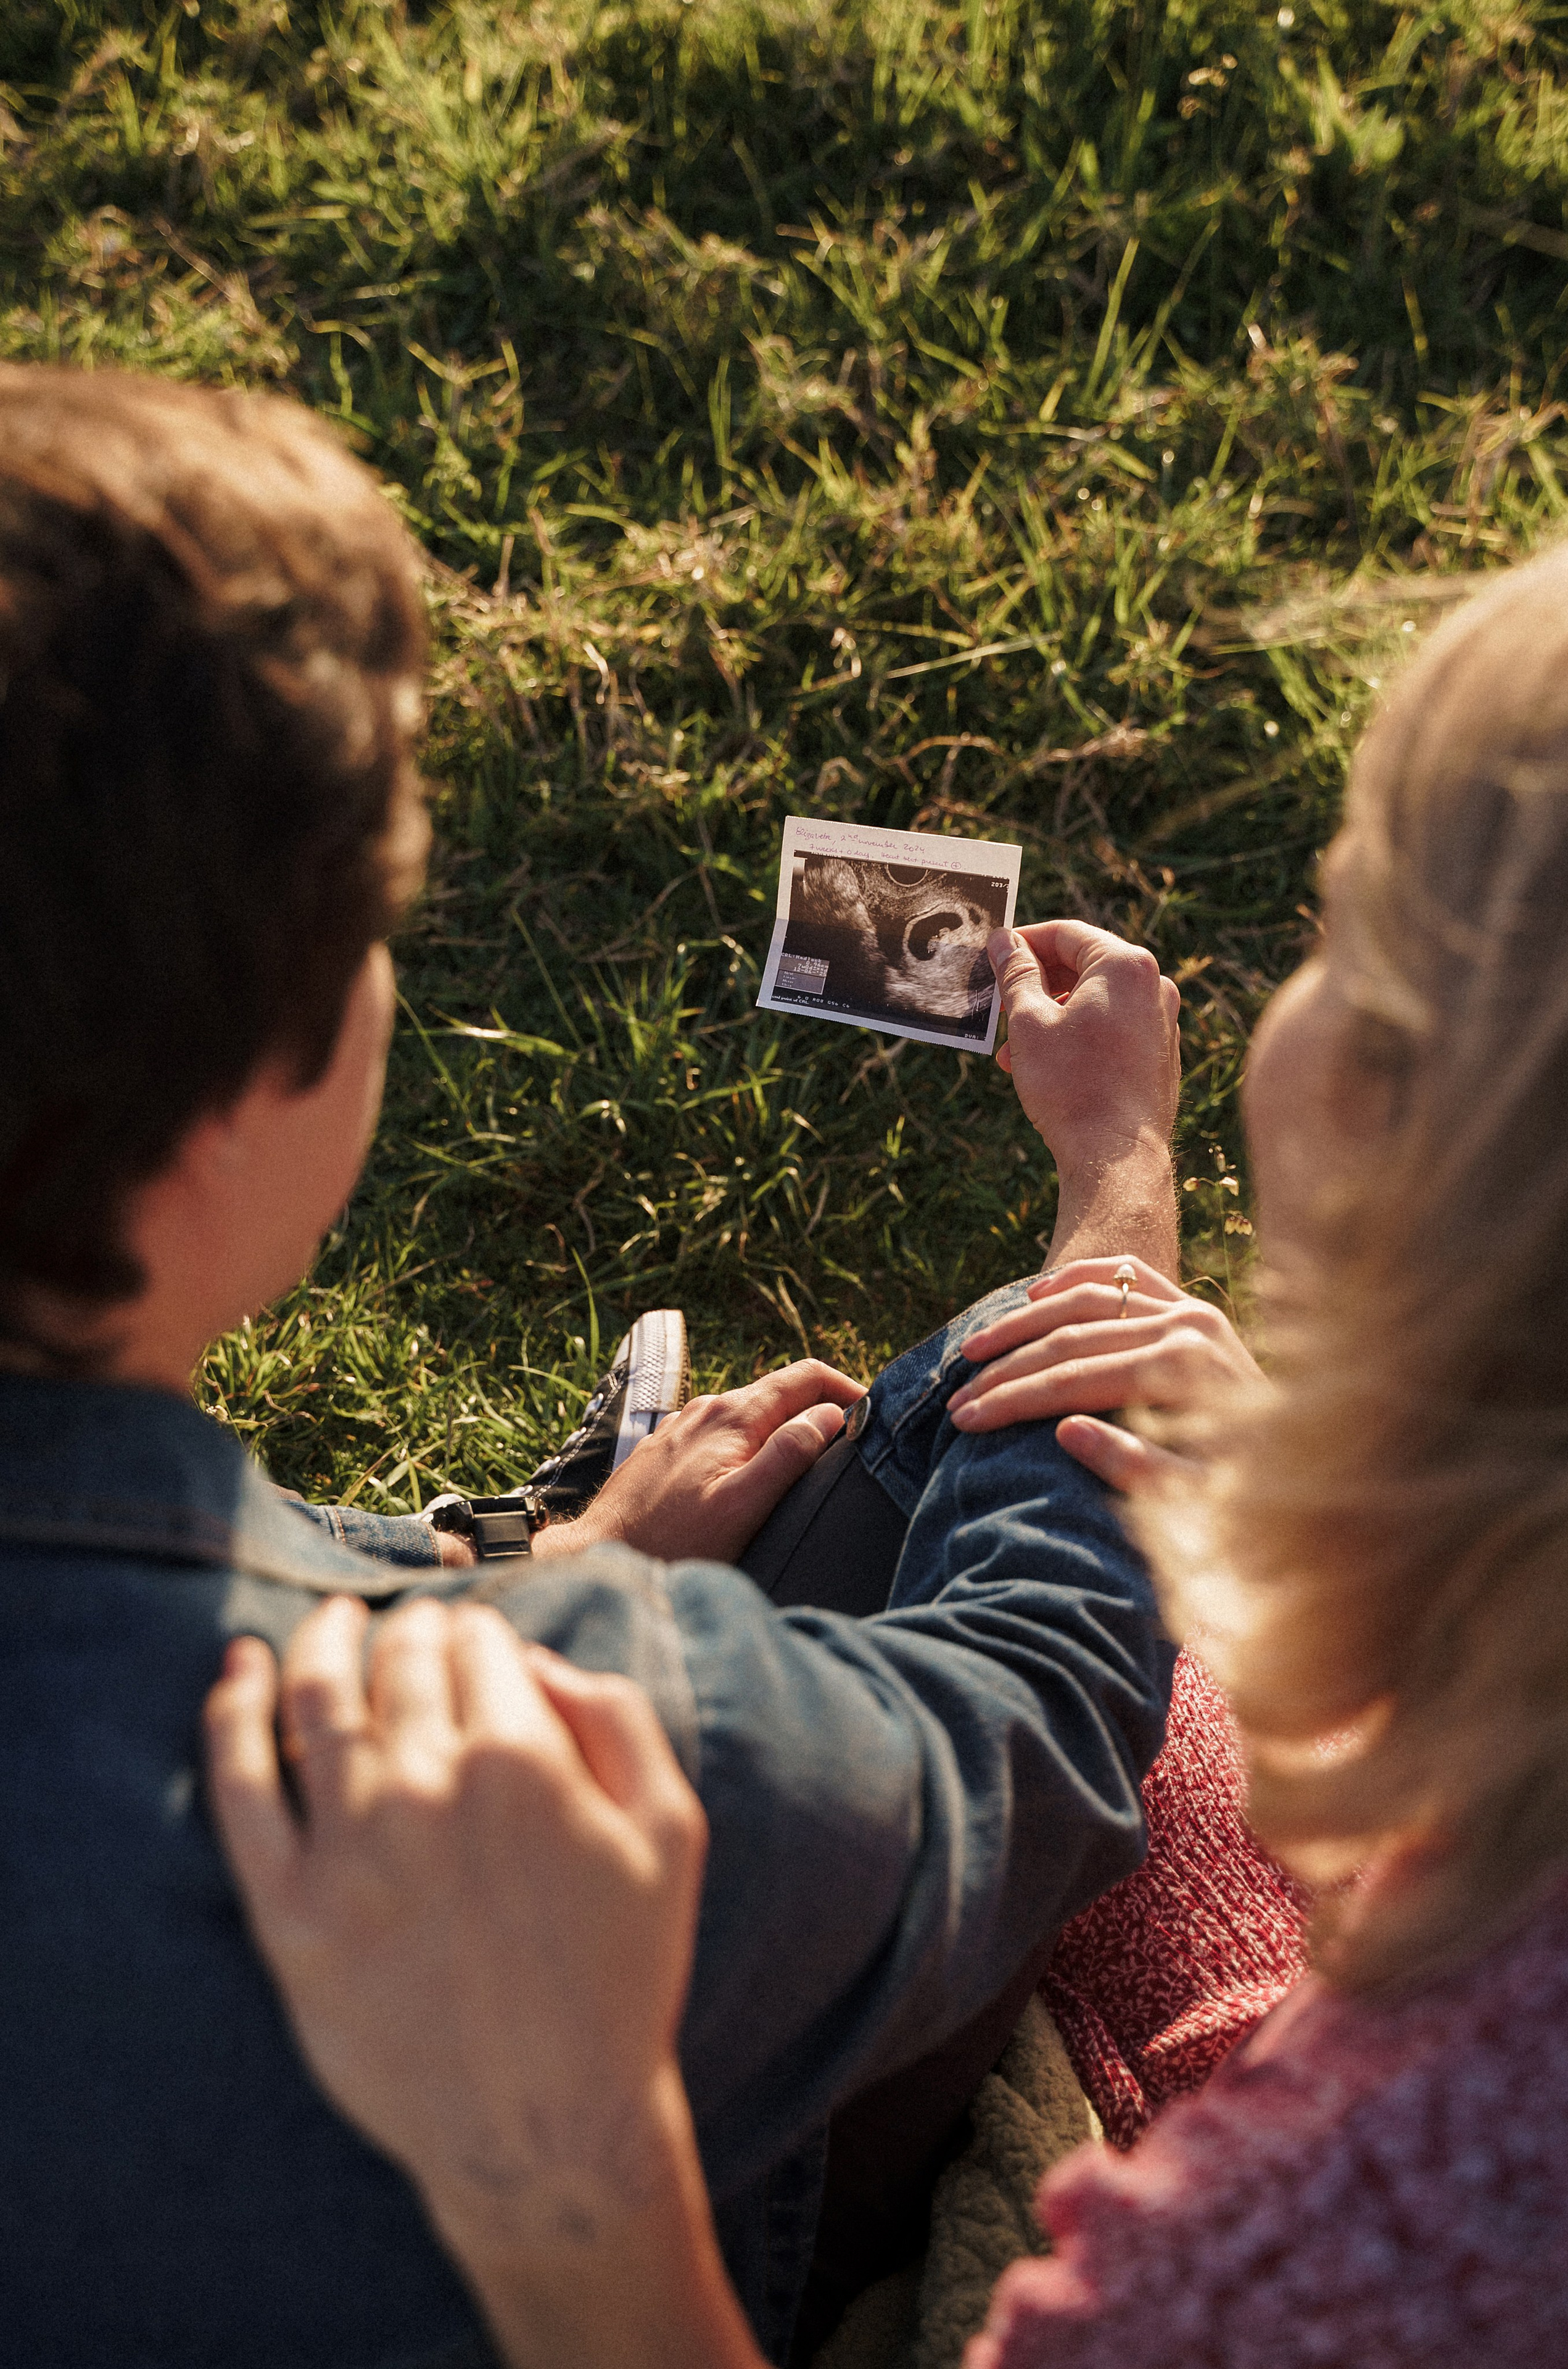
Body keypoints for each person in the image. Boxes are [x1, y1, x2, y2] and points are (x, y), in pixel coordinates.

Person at [212, 535, 1568, 2366]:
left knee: (978, 1445)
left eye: (1348, 933)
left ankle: (511, 1564)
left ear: (1425, 1121)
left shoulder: (1293, 2256)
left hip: (1064, 2045)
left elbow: (1039, 1694)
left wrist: (569, 2163)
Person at [0, 361, 1192, 2368]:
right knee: (910, 1473)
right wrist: (1118, 1194)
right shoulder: (534, 1744)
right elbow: (1044, 1733)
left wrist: (560, 1560)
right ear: (245, 1092)